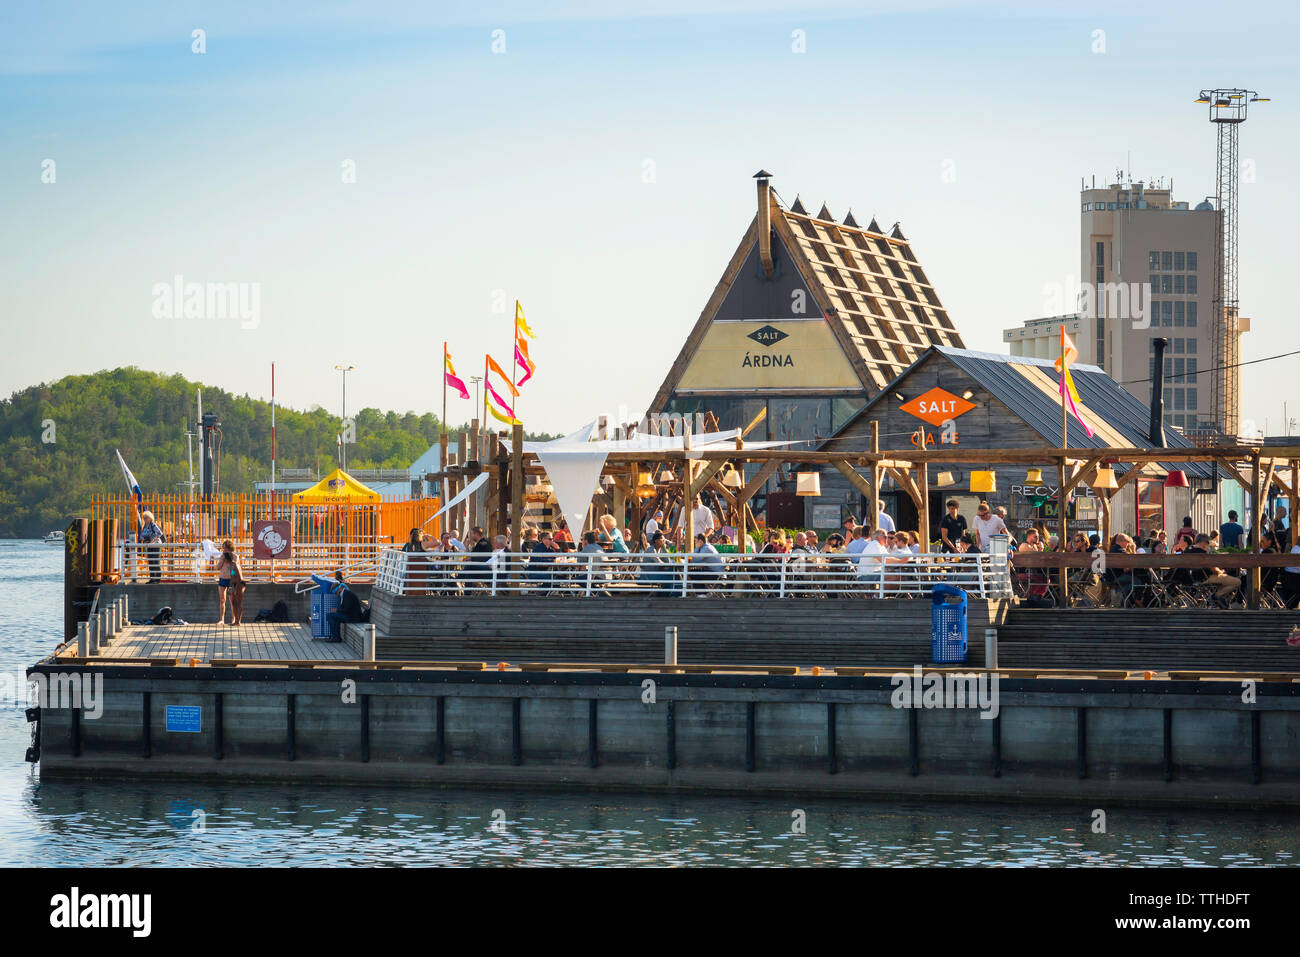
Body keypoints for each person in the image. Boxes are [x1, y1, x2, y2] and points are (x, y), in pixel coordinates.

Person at [1186, 533, 1242, 606]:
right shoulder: (1204, 553)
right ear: (1203, 542)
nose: (1208, 545)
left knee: (1223, 581)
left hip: (1191, 578)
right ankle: (1215, 596)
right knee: (1237, 581)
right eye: (1208, 542)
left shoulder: (1187, 550)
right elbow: (1213, 570)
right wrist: (1221, 572)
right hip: (1205, 578)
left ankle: (1217, 599)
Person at [322, 570, 367, 641]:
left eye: (336, 592)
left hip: (353, 618)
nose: (336, 595)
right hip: (351, 616)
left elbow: (347, 609)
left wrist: (337, 610)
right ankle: (335, 636)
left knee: (330, 615)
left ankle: (336, 637)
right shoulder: (345, 594)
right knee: (332, 615)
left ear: (340, 589)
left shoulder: (347, 594)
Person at [215, 539, 244, 625]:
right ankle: (221, 619)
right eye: (223, 548)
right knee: (222, 600)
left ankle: (234, 619)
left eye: (225, 548)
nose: (224, 550)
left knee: (232, 600)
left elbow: (234, 571)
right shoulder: (222, 556)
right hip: (222, 579)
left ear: (230, 548)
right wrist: (222, 560)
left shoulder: (235, 557)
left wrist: (231, 562)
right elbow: (218, 567)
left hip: (231, 580)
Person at [136, 507, 166, 583]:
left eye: (146, 518)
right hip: (149, 546)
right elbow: (141, 536)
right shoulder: (144, 527)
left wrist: (153, 539)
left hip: (156, 545)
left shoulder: (153, 525)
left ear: (150, 518)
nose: (145, 519)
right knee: (150, 562)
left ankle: (157, 579)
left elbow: (159, 533)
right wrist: (144, 539)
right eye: (144, 518)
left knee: (156, 561)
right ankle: (152, 579)